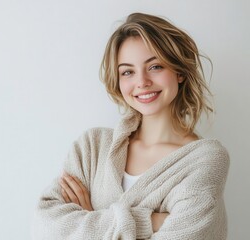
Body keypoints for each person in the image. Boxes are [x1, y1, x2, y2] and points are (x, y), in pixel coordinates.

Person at [32, 12, 229, 239]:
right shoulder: (92, 148)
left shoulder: (204, 160)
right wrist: (151, 221)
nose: (142, 82)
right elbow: (44, 229)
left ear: (180, 71)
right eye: (128, 72)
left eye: (155, 67)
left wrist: (90, 218)